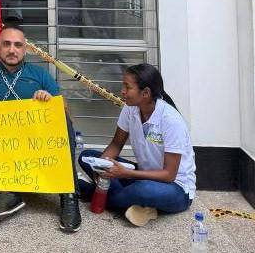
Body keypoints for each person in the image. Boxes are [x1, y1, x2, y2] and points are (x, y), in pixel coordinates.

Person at [0, 24, 81, 232]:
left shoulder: (41, 75)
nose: (12, 50)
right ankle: (6, 196)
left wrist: (50, 103)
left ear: (26, 49)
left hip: (36, 150)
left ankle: (69, 195)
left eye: (18, 45)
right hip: (0, 150)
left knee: (64, 121)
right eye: (7, 44)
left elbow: (65, 113)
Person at [77, 63, 196, 227]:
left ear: (145, 93)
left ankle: (93, 193)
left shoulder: (171, 121)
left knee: (143, 190)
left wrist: (125, 173)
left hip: (176, 189)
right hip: (142, 174)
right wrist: (101, 166)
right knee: (87, 157)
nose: (122, 91)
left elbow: (169, 175)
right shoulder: (130, 109)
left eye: (128, 87)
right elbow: (116, 144)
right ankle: (136, 205)